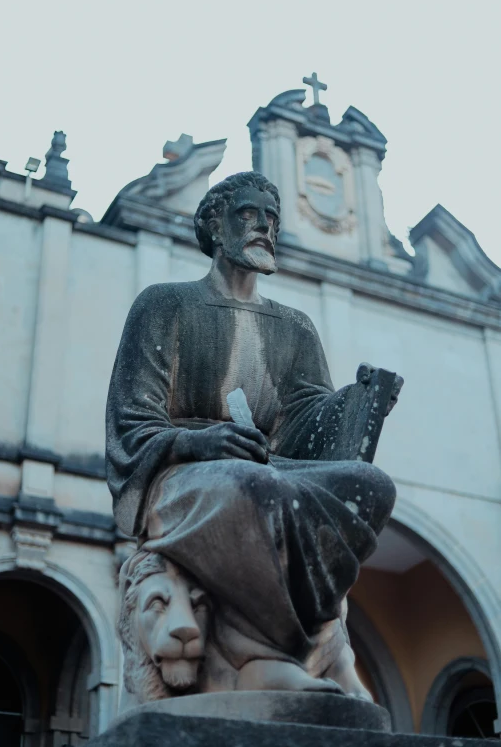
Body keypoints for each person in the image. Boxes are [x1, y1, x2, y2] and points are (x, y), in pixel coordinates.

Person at [106, 172, 396, 692]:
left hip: (267, 468)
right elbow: (133, 417)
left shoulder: (296, 326)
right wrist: (197, 442)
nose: (265, 227)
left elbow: (308, 429)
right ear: (216, 226)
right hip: (181, 475)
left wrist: (360, 405)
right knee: (255, 488)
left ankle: (324, 648)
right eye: (249, 214)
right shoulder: (164, 304)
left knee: (370, 487)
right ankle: (268, 658)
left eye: (273, 220)